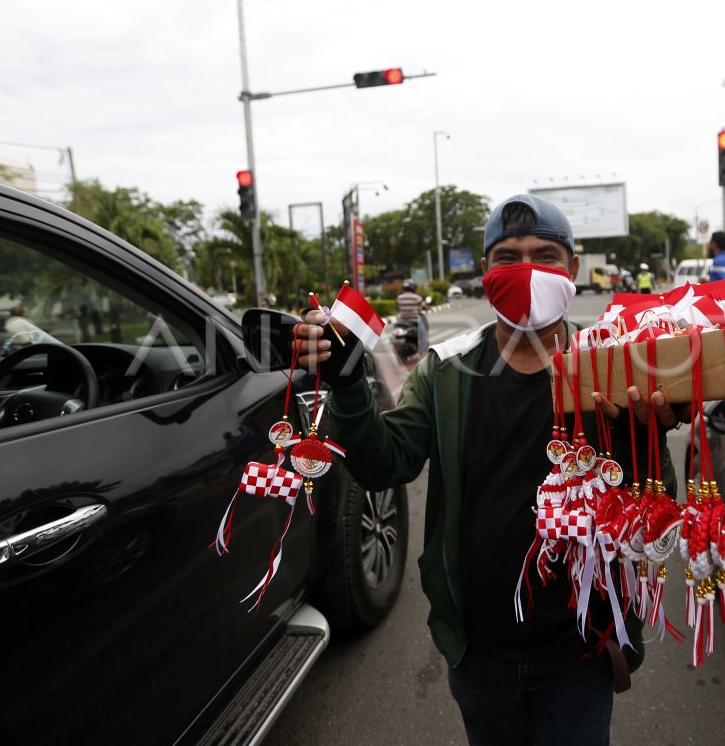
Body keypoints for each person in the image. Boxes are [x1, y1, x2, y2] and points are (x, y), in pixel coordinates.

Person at [292, 193, 683, 746]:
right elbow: (386, 463)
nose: (526, 270)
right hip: (478, 653)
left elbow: (654, 516)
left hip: (580, 647)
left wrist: (649, 431)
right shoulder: (444, 373)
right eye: (508, 257)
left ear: (572, 269)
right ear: (484, 272)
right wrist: (348, 381)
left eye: (544, 255)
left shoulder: (614, 367)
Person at [395, 278, 429, 355]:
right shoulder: (416, 297)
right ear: (413, 287)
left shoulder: (399, 298)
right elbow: (424, 307)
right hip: (415, 321)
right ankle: (425, 352)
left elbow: (398, 307)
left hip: (402, 321)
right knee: (424, 335)